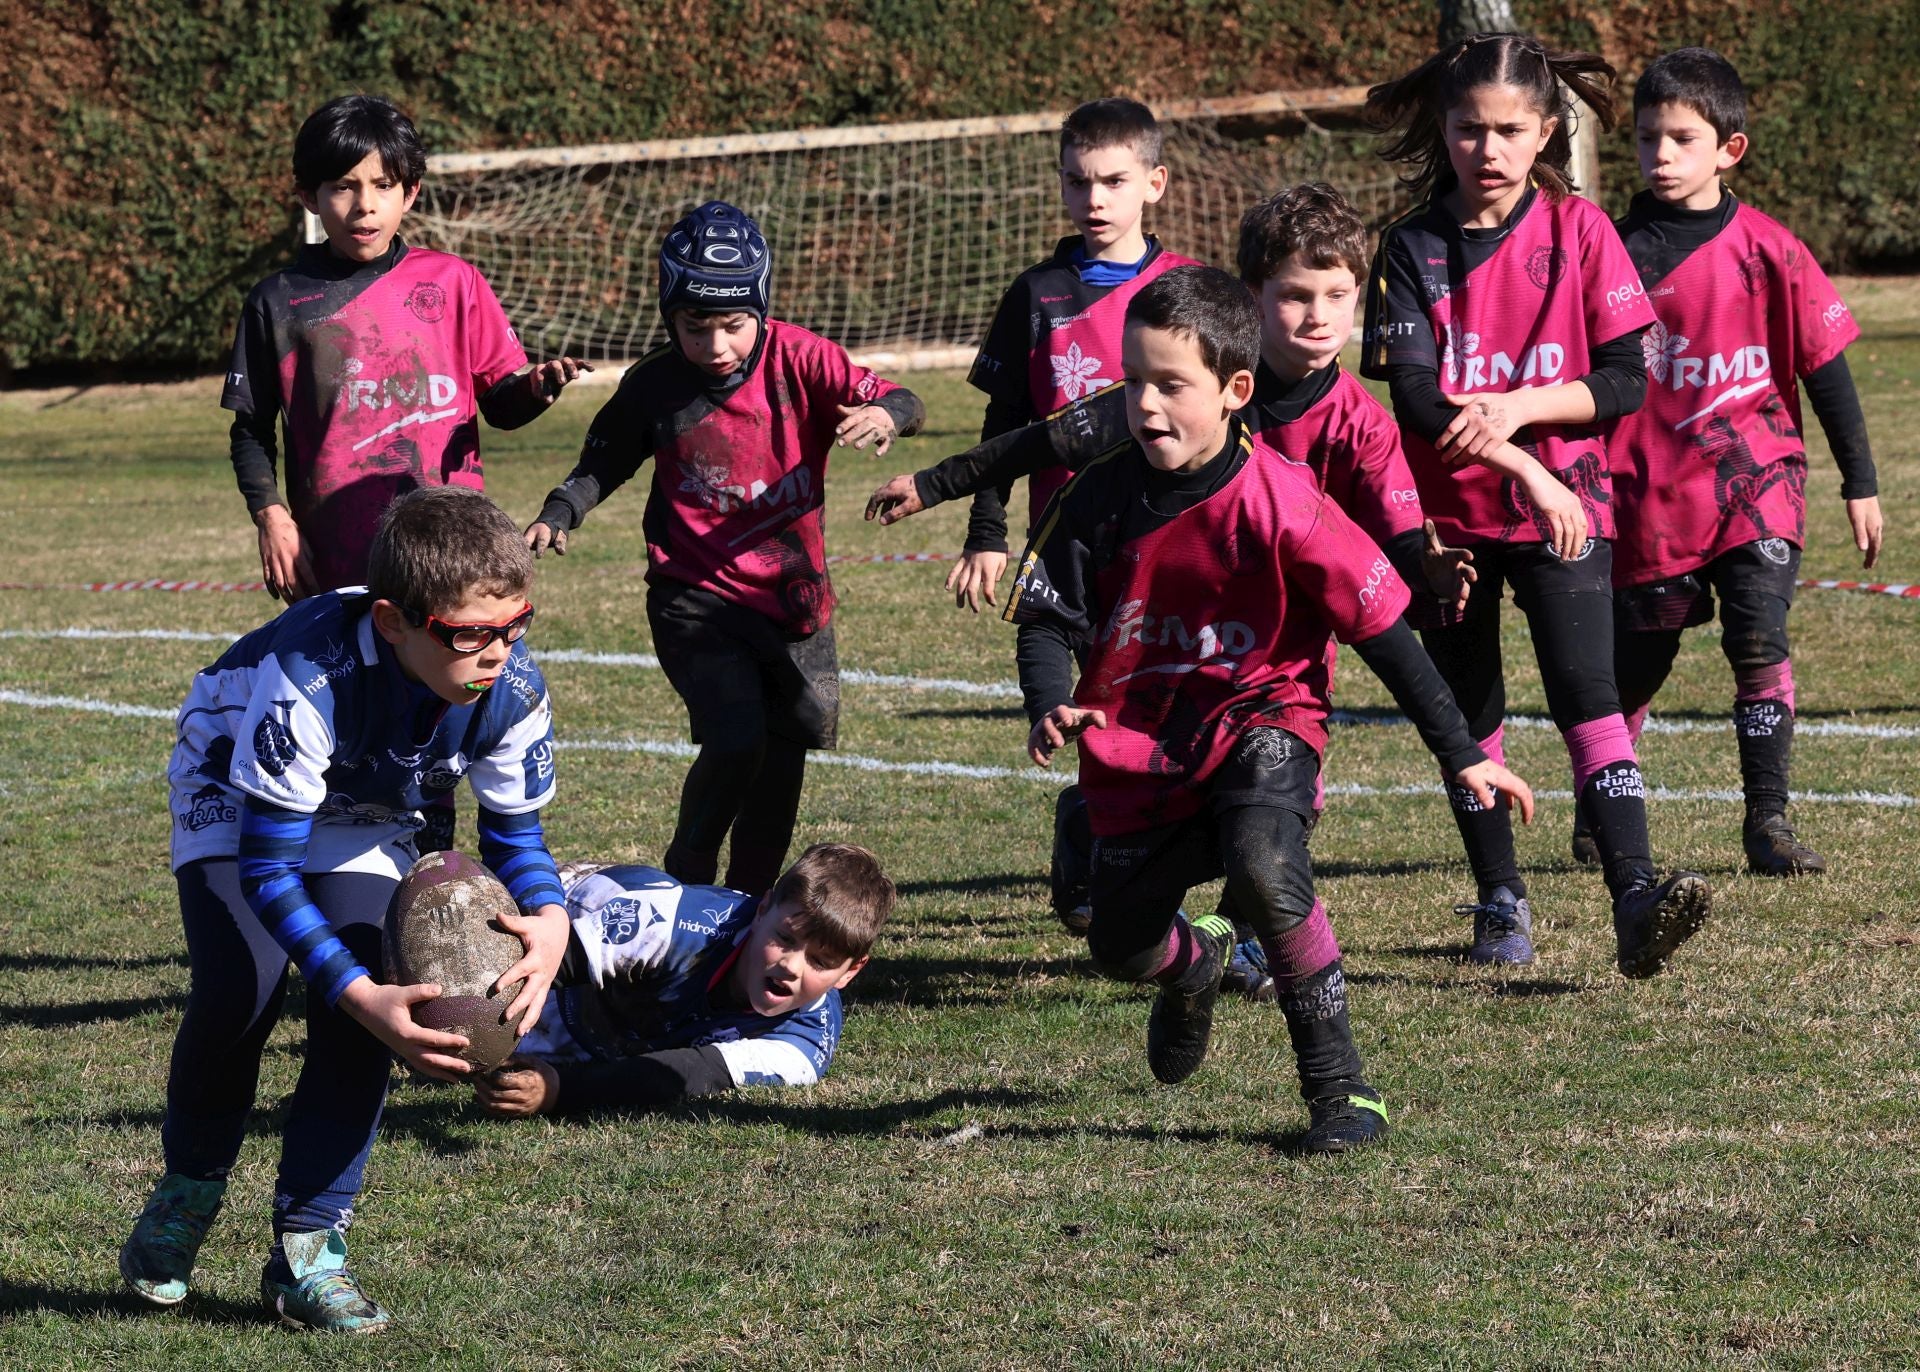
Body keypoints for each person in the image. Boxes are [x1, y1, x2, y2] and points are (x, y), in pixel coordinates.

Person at [864, 181, 1476, 993]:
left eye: (1337, 296)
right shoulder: (1157, 397)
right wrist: (935, 485)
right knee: (1155, 797)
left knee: (1272, 810)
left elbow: (1389, 546)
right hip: (1148, 632)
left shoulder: (1347, 420)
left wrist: (1423, 568)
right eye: (1295, 296)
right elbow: (1034, 442)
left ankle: (1244, 946)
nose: (1318, 317)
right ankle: (1101, 832)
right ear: (1255, 306)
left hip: (1265, 651)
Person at [1004, 265, 1536, 1151]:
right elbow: (1043, 620)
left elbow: (1388, 634)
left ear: (1234, 390)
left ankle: (1340, 1089)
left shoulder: (1285, 501)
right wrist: (1052, 700)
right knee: (1122, 950)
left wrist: (1462, 752)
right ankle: (1195, 964)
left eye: (1171, 385)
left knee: (1263, 860)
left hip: (1264, 718)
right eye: (1132, 382)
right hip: (1141, 746)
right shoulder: (1095, 495)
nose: (1146, 406)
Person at [120, 487, 573, 1333]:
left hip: (368, 803)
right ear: (397, 622)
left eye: (517, 625)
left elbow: (516, 838)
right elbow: (268, 868)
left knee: (380, 995)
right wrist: (354, 993)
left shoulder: (513, 685)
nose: (500, 652)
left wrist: (550, 922)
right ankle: (187, 1191)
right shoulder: (309, 679)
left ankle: (308, 1248)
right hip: (237, 789)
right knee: (242, 988)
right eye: (471, 633)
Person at [1361, 30, 1712, 973]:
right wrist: (1526, 464)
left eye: (1511, 130)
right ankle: (1500, 899)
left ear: (1546, 131)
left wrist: (1519, 412)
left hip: (1571, 506)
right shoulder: (1411, 246)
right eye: (1472, 130)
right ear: (1447, 128)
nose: (1490, 150)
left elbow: (1626, 378)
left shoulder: (1583, 231)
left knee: (1588, 697)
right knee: (1471, 714)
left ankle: (1635, 895)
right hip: (1452, 523)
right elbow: (1420, 399)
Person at [524, 202, 924, 898]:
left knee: (782, 759)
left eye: (734, 326)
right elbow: (605, 457)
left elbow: (900, 395)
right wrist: (562, 511)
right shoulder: (654, 384)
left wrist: (888, 412)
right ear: (667, 317)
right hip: (694, 597)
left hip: (796, 601)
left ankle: (745, 903)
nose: (715, 345)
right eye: (694, 327)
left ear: (761, 310)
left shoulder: (803, 359)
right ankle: (687, 876)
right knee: (737, 738)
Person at [222, 93, 588, 852]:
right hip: (343, 566)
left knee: (442, 735)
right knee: (346, 741)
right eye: (343, 187)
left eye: (383, 185)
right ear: (308, 196)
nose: (364, 205)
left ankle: (433, 890)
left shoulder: (452, 284)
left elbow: (505, 404)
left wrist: (536, 388)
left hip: (451, 566)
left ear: (410, 193)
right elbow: (251, 430)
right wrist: (272, 515)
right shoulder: (279, 304)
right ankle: (325, 896)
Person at [1569, 46, 1886, 877]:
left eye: (1680, 138)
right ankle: (1603, 797)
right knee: (1638, 665)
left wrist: (1861, 483)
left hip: (1757, 484)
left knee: (1760, 638)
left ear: (1728, 149)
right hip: (1646, 497)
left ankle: (1768, 822)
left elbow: (1825, 366)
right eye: (1646, 139)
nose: (1660, 156)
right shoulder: (1609, 252)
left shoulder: (1772, 251)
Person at [474, 844, 893, 1118]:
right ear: (762, 910)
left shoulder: (805, 1043)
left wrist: (559, 1091)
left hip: (612, 1027)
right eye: (784, 939)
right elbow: (554, 961)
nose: (792, 966)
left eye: (821, 961)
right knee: (462, 1000)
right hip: (578, 909)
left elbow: (683, 1074)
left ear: (851, 972)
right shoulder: (675, 923)